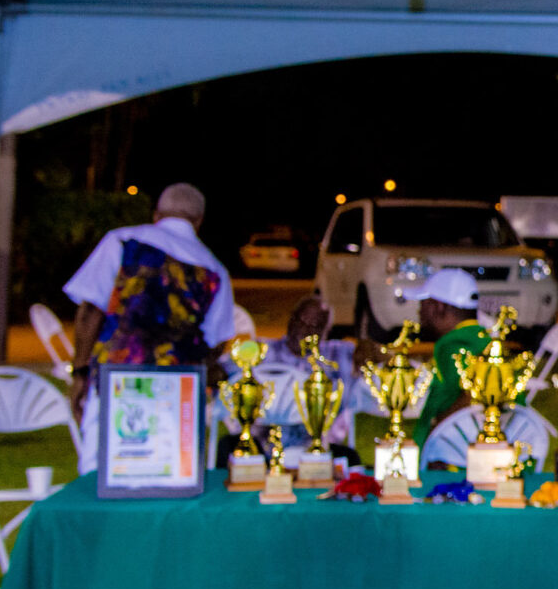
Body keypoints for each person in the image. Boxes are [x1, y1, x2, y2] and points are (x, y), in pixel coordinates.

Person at [65, 182, 236, 473]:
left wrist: (80, 372)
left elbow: (90, 311)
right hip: (176, 387)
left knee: (100, 471)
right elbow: (216, 341)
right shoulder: (215, 270)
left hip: (115, 376)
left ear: (157, 214)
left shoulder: (121, 241)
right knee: (165, 474)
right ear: (198, 221)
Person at [211, 294, 372, 469]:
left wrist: (367, 348)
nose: (304, 331)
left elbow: (380, 356)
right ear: (291, 320)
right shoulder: (261, 349)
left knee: (350, 459)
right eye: (301, 322)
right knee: (227, 446)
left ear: (326, 331)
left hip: (316, 447)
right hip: (260, 444)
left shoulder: (338, 355)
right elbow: (219, 370)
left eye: (315, 326)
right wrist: (216, 365)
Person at [406, 268, 489, 445]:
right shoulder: (481, 337)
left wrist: (436, 433)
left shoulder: (454, 344)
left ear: (439, 307)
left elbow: (471, 397)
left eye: (424, 303)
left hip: (458, 452)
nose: (419, 311)